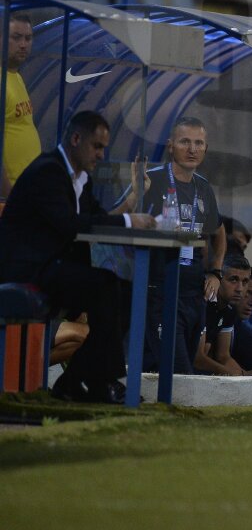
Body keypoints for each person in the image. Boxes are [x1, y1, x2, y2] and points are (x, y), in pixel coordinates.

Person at [0, 110, 154, 402]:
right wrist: (131, 222)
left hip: (55, 267)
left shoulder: (81, 179)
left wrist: (131, 213)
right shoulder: (48, 172)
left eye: (104, 148)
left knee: (124, 289)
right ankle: (99, 382)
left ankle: (78, 381)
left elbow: (95, 218)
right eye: (97, 147)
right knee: (106, 287)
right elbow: (70, 224)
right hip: (28, 271)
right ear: (75, 139)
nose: (100, 154)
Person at [117, 116, 227, 375]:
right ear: (170, 146)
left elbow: (219, 232)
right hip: (161, 291)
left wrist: (216, 271)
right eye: (185, 142)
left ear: (206, 149)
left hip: (194, 293)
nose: (192, 149)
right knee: (180, 373)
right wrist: (135, 196)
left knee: (177, 369)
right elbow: (115, 219)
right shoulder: (151, 180)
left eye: (199, 143)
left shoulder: (204, 187)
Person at [194, 252, 252, 375]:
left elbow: (223, 356)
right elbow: (197, 359)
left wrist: (245, 375)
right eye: (233, 280)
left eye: (245, 282)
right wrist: (236, 377)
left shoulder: (230, 309)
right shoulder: (204, 303)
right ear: (219, 279)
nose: (239, 289)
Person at [2, 12, 39, 202]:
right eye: (16, 38)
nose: (23, 44)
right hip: (11, 197)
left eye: (28, 38)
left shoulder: (15, 76)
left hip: (27, 189)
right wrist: (10, 198)